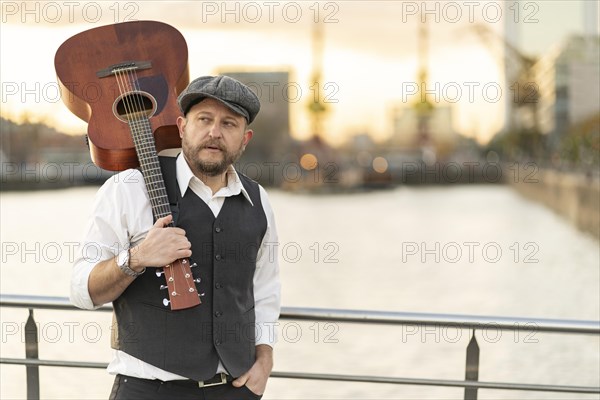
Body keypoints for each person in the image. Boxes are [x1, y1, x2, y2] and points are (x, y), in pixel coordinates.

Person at [71, 75, 281, 400]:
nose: (215, 132)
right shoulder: (130, 188)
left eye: (229, 123)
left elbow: (265, 291)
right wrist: (135, 259)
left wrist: (264, 358)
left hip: (237, 389)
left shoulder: (259, 200)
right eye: (204, 120)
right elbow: (81, 290)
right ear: (182, 126)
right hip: (149, 390)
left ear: (245, 138)